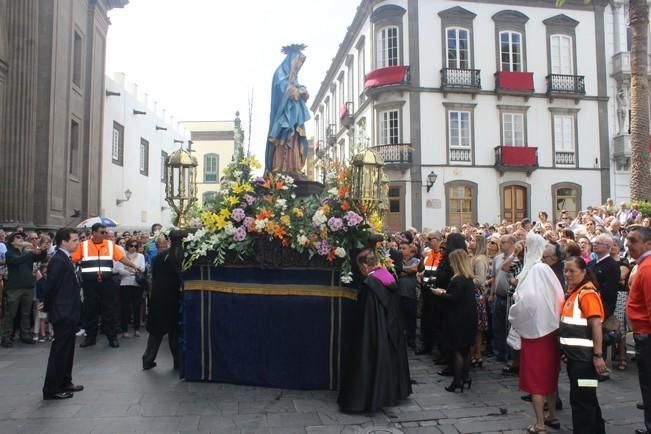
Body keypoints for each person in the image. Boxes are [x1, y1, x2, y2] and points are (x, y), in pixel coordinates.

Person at [338, 249, 411, 413]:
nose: (361, 271)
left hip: (375, 332)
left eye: (360, 267)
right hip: (390, 329)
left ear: (365, 265)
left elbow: (367, 317)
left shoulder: (370, 285)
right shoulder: (387, 276)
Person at [509, 233, 565, 434]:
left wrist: (515, 313)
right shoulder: (546, 270)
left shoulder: (535, 270)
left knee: (536, 380)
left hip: (535, 334)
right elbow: (559, 295)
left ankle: (540, 423)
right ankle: (552, 416)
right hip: (551, 331)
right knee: (550, 376)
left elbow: (527, 300)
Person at [71, 223, 143, 348]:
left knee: (109, 310)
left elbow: (121, 258)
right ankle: (90, 338)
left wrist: (134, 266)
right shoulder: (83, 246)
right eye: (102, 232)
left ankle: (112, 337)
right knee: (90, 311)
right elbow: (72, 259)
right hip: (90, 284)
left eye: (105, 232)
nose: (105, 234)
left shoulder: (110, 245)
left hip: (106, 283)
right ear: (94, 233)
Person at [560, 256, 607, 434]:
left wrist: (598, 356)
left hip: (585, 360)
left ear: (584, 272)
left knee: (582, 401)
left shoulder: (586, 294)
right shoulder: (576, 292)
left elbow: (596, 325)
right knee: (587, 399)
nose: (567, 274)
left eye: (572, 271)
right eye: (566, 270)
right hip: (577, 358)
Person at [42, 228, 83, 400]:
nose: (77, 243)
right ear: (63, 241)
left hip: (69, 309)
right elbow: (51, 287)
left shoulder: (65, 258)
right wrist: (49, 307)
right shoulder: (58, 260)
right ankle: (52, 388)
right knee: (60, 350)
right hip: (62, 310)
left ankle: (65, 380)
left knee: (68, 349)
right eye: (74, 240)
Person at [431, 249, 477, 392]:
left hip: (458, 319)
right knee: (466, 349)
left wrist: (440, 293)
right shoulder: (468, 278)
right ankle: (466, 376)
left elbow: (454, 298)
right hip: (469, 318)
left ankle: (457, 381)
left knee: (457, 350)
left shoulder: (457, 279)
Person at [142, 230, 187, 370]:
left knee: (156, 332)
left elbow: (153, 277)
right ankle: (178, 363)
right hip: (175, 299)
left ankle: (148, 360)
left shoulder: (159, 257)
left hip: (159, 298)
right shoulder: (183, 256)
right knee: (175, 332)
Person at [264, 44, 310, 176]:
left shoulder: (293, 76)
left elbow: (295, 86)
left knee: (295, 138)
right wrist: (295, 91)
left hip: (295, 116)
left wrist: (302, 89)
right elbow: (282, 87)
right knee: (283, 138)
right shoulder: (280, 73)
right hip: (284, 115)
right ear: (291, 59)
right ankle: (280, 167)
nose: (298, 67)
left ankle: (293, 167)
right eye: (297, 62)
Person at [1, 232, 47, 346]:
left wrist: (43, 249)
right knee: (11, 313)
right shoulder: (9, 253)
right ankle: (6, 337)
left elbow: (40, 257)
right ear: (12, 241)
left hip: (28, 286)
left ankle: (25, 334)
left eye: (22, 237)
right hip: (14, 288)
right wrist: (30, 252)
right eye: (18, 237)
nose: (21, 239)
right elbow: (17, 260)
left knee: (26, 313)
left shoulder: (27, 252)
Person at [625, 226, 651, 434]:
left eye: (633, 240)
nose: (628, 244)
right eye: (628, 240)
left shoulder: (648, 268)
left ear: (648, 244)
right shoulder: (644, 265)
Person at [434, 233, 468, 374]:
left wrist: (442, 292)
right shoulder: (449, 257)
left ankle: (455, 369)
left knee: (453, 338)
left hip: (452, 301)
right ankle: (450, 362)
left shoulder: (456, 259)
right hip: (447, 298)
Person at [417, 231, 442, 355]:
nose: (427, 241)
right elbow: (421, 269)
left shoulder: (442, 254)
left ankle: (436, 347)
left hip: (436, 291)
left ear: (437, 239)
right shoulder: (428, 253)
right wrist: (422, 257)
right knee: (425, 318)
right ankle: (426, 344)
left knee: (435, 319)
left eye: (430, 238)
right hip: (426, 290)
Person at [117, 240, 146, 338]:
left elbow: (142, 268)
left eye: (135, 246)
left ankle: (136, 329)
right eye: (131, 245)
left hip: (136, 284)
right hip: (125, 283)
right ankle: (124, 330)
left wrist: (128, 269)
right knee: (124, 307)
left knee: (136, 306)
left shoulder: (141, 256)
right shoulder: (122, 255)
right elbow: (120, 270)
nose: (133, 247)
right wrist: (133, 271)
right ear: (127, 246)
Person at [469, 234, 489, 367]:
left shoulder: (479, 260)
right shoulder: (475, 258)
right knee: (477, 327)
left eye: (472, 240)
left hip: (476, 294)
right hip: (475, 293)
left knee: (476, 326)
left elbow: (480, 279)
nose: (470, 242)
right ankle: (476, 354)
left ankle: (476, 354)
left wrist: (465, 279)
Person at [398, 242, 419, 350]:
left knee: (411, 318)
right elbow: (396, 272)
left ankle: (411, 339)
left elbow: (415, 269)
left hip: (410, 294)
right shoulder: (396, 261)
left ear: (410, 250)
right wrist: (408, 270)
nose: (401, 250)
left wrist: (401, 269)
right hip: (398, 294)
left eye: (403, 248)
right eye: (400, 248)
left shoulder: (415, 260)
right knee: (399, 318)